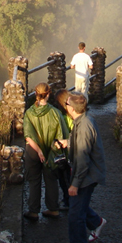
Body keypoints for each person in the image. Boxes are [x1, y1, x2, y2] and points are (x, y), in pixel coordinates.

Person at [56, 92, 106, 243]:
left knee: (75, 214)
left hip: (86, 176)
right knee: (79, 206)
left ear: (72, 108)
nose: (66, 107)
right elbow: (80, 142)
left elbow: (83, 160)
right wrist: (68, 143)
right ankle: (97, 222)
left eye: (67, 104)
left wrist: (74, 184)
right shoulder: (83, 120)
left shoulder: (83, 126)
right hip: (89, 173)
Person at [23, 83, 70, 220]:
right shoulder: (55, 113)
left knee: (34, 180)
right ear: (48, 94)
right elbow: (62, 134)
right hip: (52, 151)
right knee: (51, 179)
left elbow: (28, 136)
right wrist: (51, 152)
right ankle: (53, 209)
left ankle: (33, 211)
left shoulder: (29, 113)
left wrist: (38, 151)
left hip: (33, 151)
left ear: (35, 94)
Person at [54, 89, 74, 209]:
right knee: (70, 177)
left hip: (64, 151)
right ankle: (70, 200)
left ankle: (68, 201)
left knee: (64, 178)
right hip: (72, 151)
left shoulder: (59, 116)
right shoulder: (72, 115)